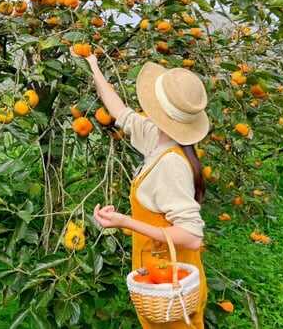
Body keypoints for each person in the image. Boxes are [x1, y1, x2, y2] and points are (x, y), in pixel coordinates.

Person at [76, 49, 209, 329]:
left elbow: (192, 235)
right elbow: (121, 112)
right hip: (160, 276)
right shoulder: (157, 138)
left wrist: (126, 222)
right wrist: (94, 68)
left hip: (171, 283)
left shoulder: (171, 164)